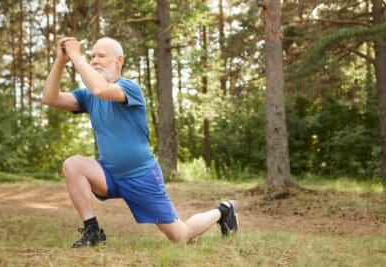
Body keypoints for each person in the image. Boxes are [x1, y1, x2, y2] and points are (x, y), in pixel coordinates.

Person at [42, 36, 239, 248]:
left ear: (119, 61)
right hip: (109, 174)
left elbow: (101, 89)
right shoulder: (88, 96)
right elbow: (50, 98)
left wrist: (76, 56)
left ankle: (223, 211)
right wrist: (60, 60)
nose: (94, 61)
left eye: (101, 56)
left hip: (141, 176)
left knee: (180, 236)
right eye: (92, 56)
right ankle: (92, 231)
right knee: (73, 164)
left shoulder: (128, 87)